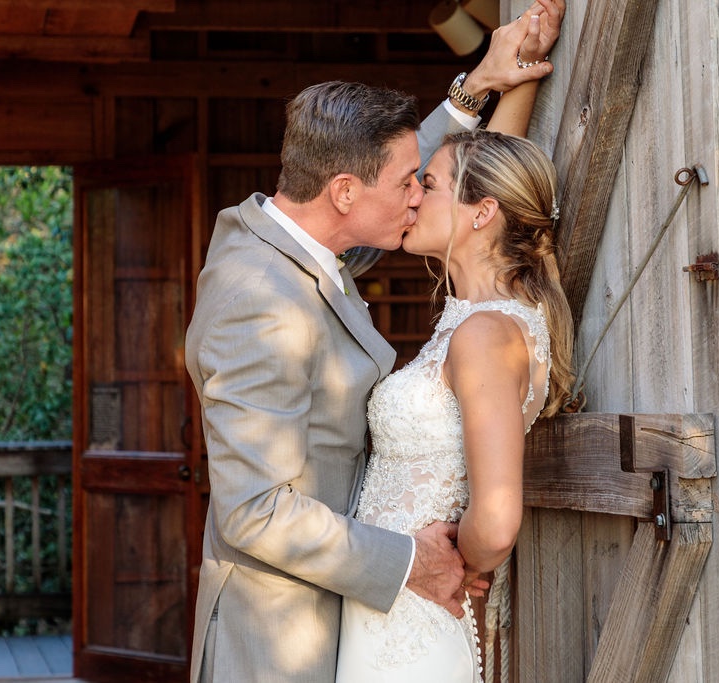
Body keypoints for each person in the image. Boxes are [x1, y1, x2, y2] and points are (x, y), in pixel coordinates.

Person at [183, 2, 564, 681]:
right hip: (277, 638)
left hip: (365, 616)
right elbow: (251, 510)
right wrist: (415, 559)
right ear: (344, 192)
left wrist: (484, 84)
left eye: (425, 182)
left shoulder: (310, 248)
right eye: (406, 184)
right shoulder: (256, 298)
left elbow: (468, 194)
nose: (417, 196)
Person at [334, 84, 575, 683]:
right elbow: (483, 162)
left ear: (483, 212)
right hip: (386, 603)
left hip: (413, 615)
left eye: (429, 184)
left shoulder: (486, 335)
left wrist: (454, 562)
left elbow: (495, 521)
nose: (413, 196)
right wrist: (510, 78)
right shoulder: (476, 319)